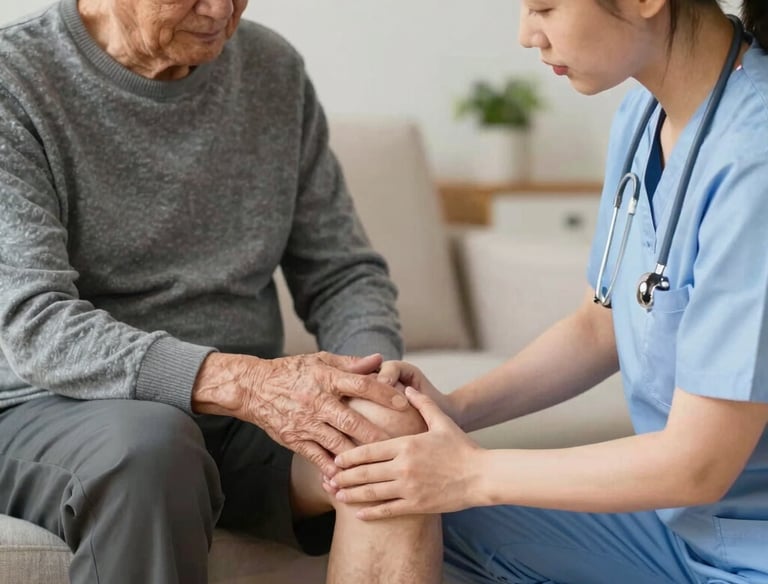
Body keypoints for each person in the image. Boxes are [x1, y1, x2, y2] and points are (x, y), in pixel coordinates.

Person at [0, 0, 443, 583]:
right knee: (154, 448)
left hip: (240, 424)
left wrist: (368, 384)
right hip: (56, 409)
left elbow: (342, 273)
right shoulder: (15, 79)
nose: (219, 11)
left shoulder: (272, 69)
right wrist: (248, 384)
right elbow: (36, 324)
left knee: (389, 437)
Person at [328, 1, 768, 582]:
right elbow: (600, 324)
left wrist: (470, 474)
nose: (526, 34)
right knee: (388, 497)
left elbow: (699, 465)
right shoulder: (643, 116)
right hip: (681, 532)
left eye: (545, 7)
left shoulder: (755, 159)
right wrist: (452, 410)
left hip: (750, 548)